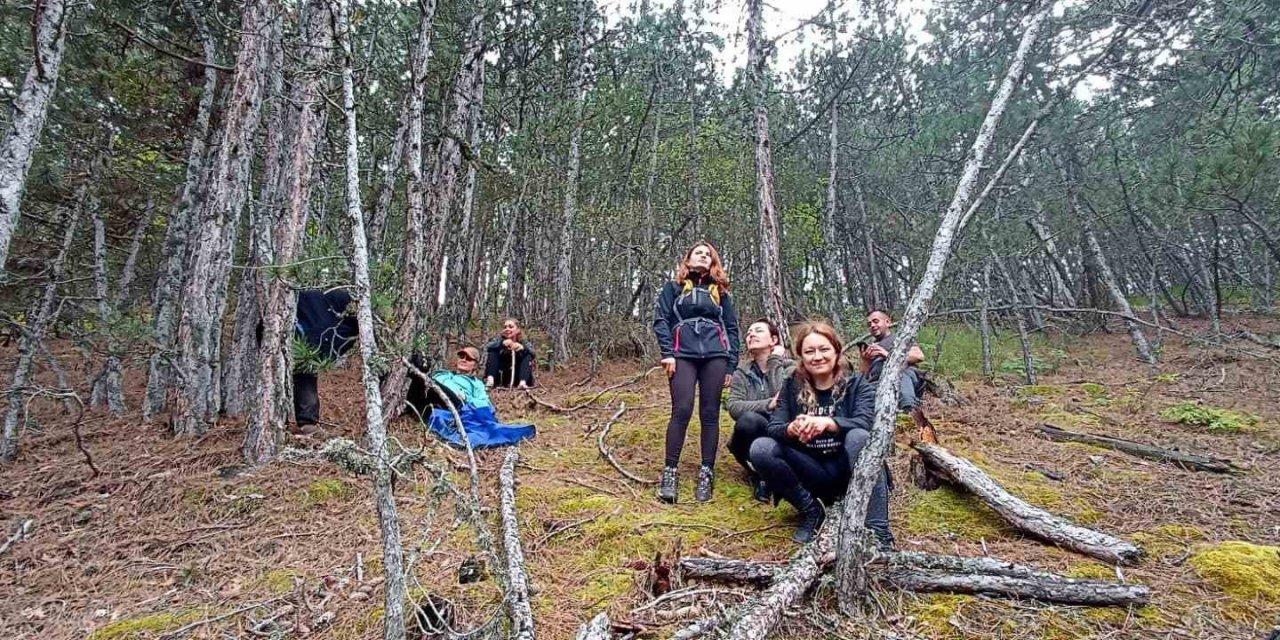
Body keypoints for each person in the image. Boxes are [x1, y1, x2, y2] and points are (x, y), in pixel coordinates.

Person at [749, 320, 894, 547]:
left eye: (824, 349)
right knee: (761, 448)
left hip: (847, 469)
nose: (817, 357)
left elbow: (867, 423)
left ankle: (878, 531)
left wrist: (828, 423)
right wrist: (792, 428)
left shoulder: (856, 385)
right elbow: (774, 427)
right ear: (802, 358)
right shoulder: (792, 386)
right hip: (811, 470)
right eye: (809, 351)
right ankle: (812, 511)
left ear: (836, 351)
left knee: (859, 437)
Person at [652, 241, 740, 504]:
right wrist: (667, 352)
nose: (703, 256)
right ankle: (670, 473)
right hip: (682, 355)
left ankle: (706, 472)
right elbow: (661, 320)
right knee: (682, 409)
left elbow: (732, 329)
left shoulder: (721, 293)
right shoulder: (673, 288)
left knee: (710, 413)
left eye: (708, 254)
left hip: (716, 355)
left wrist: (732, 364)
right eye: (698, 253)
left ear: (713, 263)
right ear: (688, 260)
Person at [726, 318, 794, 503]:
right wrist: (767, 404)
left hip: (784, 433)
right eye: (748, 333)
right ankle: (760, 475)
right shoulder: (742, 372)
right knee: (748, 420)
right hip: (752, 435)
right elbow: (733, 407)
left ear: (773, 340)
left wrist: (774, 361)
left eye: (758, 331)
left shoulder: (790, 367)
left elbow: (784, 400)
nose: (751, 335)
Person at [293, 288, 359, 431]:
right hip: (307, 339)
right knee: (304, 373)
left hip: (314, 336)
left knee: (304, 372)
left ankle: (307, 422)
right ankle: (307, 423)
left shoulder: (341, 301)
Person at [859, 310, 926, 411]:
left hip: (904, 378)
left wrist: (887, 354)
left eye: (876, 321)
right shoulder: (869, 346)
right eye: (869, 324)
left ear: (888, 322)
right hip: (878, 384)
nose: (872, 325)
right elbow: (864, 377)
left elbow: (919, 356)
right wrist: (866, 360)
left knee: (900, 375)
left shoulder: (899, 339)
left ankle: (910, 411)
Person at [484, 318, 535, 389]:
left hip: (518, 374)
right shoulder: (499, 339)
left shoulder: (523, 341)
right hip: (502, 374)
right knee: (493, 351)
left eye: (511, 327)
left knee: (527, 355)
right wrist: (501, 344)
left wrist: (523, 348)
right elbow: (488, 347)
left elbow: (533, 353)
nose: (507, 329)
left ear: (518, 329)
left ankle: (522, 383)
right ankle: (490, 380)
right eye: (505, 327)